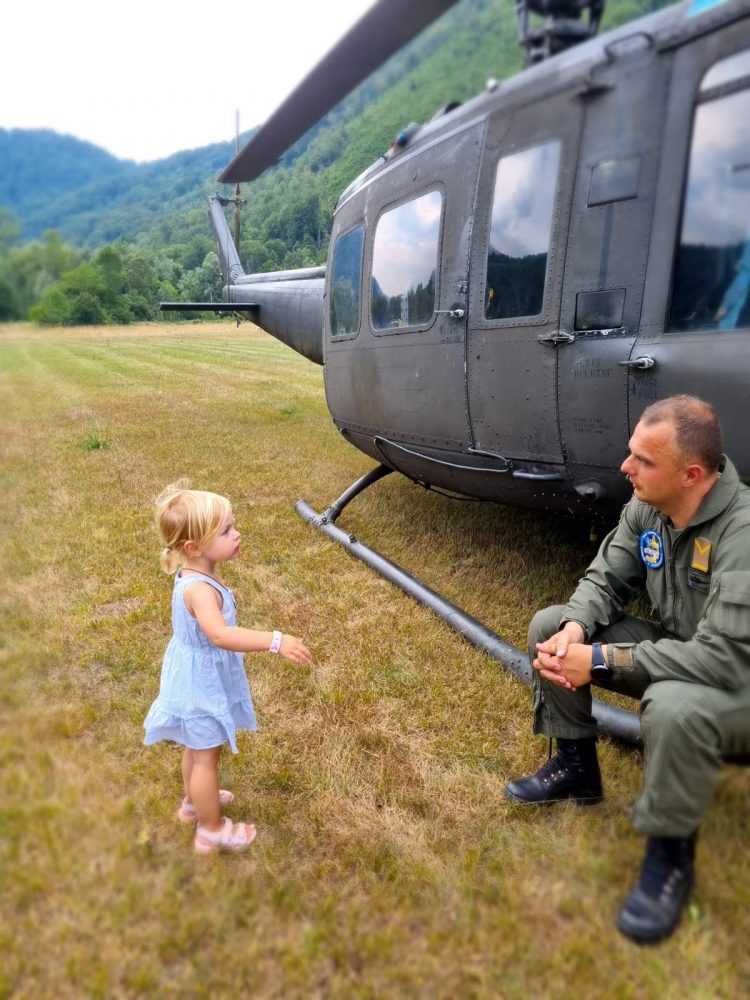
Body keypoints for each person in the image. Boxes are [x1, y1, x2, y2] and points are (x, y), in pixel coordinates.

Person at [505, 395, 750, 943]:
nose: (625, 467)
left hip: (738, 679)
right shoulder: (649, 507)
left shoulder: (743, 533)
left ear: (690, 474)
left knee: (673, 705)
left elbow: (722, 658)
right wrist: (574, 630)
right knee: (552, 623)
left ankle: (670, 855)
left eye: (643, 459)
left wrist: (595, 659)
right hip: (682, 647)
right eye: (629, 453)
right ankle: (576, 769)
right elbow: (606, 578)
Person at [144, 481, 312, 854]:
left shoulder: (195, 573)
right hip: (200, 682)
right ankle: (211, 829)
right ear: (194, 547)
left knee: (195, 746)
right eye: (226, 531)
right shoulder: (201, 590)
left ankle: (193, 804)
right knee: (207, 756)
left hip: (192, 675)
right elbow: (220, 635)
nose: (237, 535)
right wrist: (275, 640)